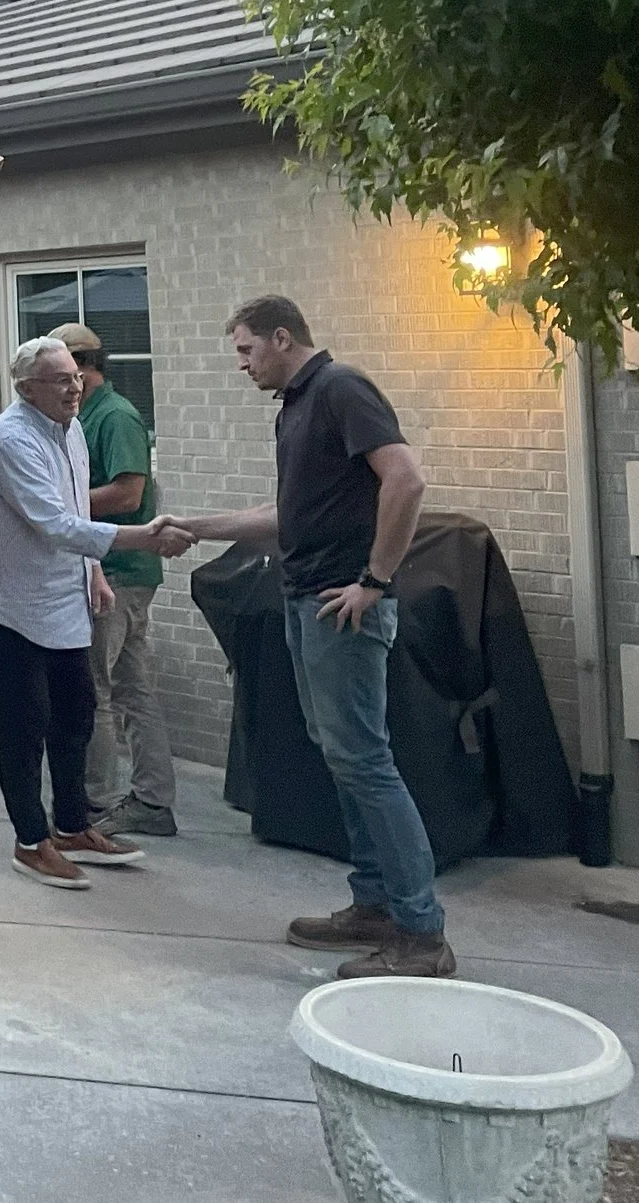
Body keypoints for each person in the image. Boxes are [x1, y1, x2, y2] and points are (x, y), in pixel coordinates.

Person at [172, 296, 451, 979]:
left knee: (364, 759)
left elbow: (407, 479)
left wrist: (375, 580)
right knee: (345, 755)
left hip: (342, 607)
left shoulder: (340, 388)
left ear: (281, 335)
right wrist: (197, 526)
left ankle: (422, 934)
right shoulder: (296, 407)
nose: (242, 364)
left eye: (246, 350)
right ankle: (375, 905)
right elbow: (285, 514)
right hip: (307, 602)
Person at [0, 336, 193, 889]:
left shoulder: (70, 429)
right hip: (12, 606)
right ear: (27, 389)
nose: (75, 388)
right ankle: (31, 841)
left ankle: (71, 826)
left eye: (75, 376)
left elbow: (72, 506)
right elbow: (52, 522)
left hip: (65, 595)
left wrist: (93, 571)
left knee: (76, 714)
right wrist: (142, 538)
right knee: (25, 727)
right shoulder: (11, 441)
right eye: (60, 380)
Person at [50, 321, 179, 840]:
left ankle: (97, 805)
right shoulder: (84, 416)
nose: (63, 385)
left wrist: (58, 505)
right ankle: (152, 799)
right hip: (113, 568)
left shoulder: (116, 416)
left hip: (121, 573)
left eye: (62, 373)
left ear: (82, 368)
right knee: (131, 688)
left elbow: (128, 495)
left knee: (95, 689)